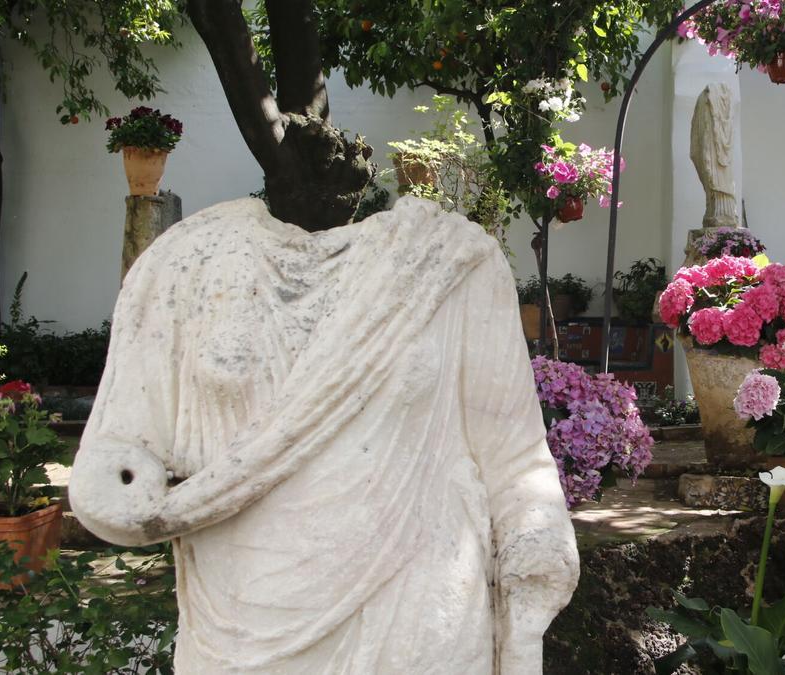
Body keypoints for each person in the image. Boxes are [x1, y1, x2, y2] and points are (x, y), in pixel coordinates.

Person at [71, 196, 579, 673]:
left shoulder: (449, 259)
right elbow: (118, 455)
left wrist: (535, 551)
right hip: (240, 616)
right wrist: (120, 493)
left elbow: (514, 456)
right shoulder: (188, 261)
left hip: (416, 612)